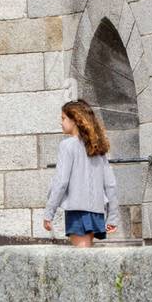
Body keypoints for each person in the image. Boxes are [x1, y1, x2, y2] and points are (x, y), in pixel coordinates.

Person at [43, 99, 119, 248]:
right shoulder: (98, 148)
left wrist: (49, 213)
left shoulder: (67, 145)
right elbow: (110, 184)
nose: (61, 122)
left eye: (63, 118)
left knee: (82, 258)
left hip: (78, 210)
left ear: (75, 120)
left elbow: (61, 182)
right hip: (96, 211)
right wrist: (113, 217)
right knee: (87, 256)